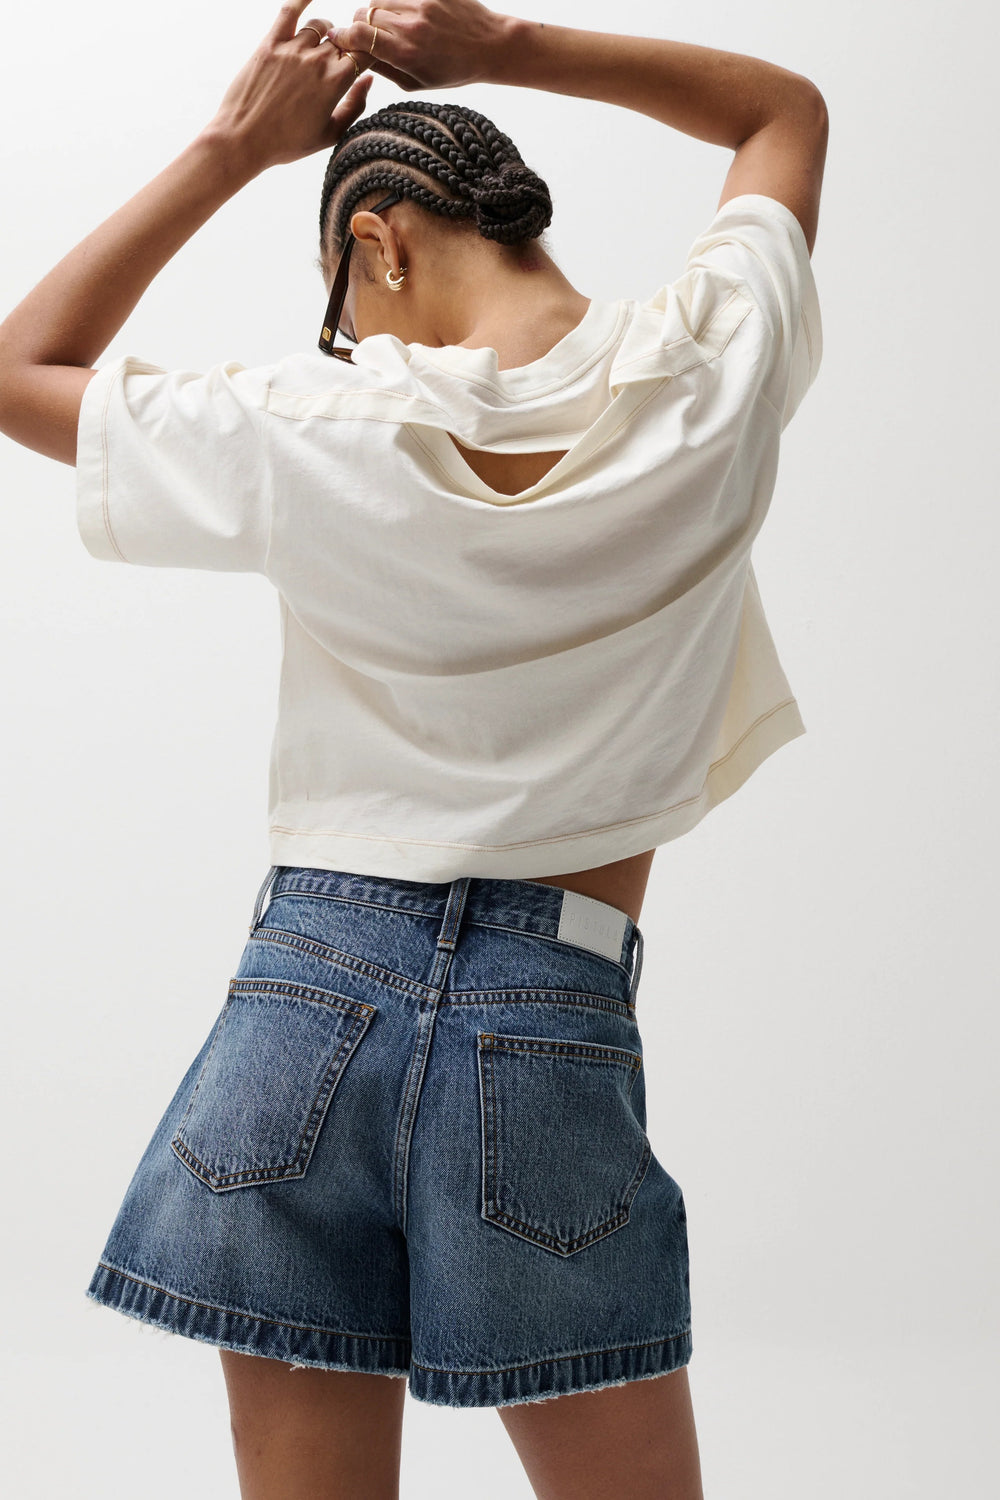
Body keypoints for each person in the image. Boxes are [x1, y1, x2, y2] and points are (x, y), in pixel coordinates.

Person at [0, 1, 828, 1495]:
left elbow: (17, 368)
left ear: (376, 241)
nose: (350, 338)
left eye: (342, 298)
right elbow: (783, 112)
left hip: (304, 997)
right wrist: (501, 45)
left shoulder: (311, 424)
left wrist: (230, 149)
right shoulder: (713, 371)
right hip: (549, 1004)